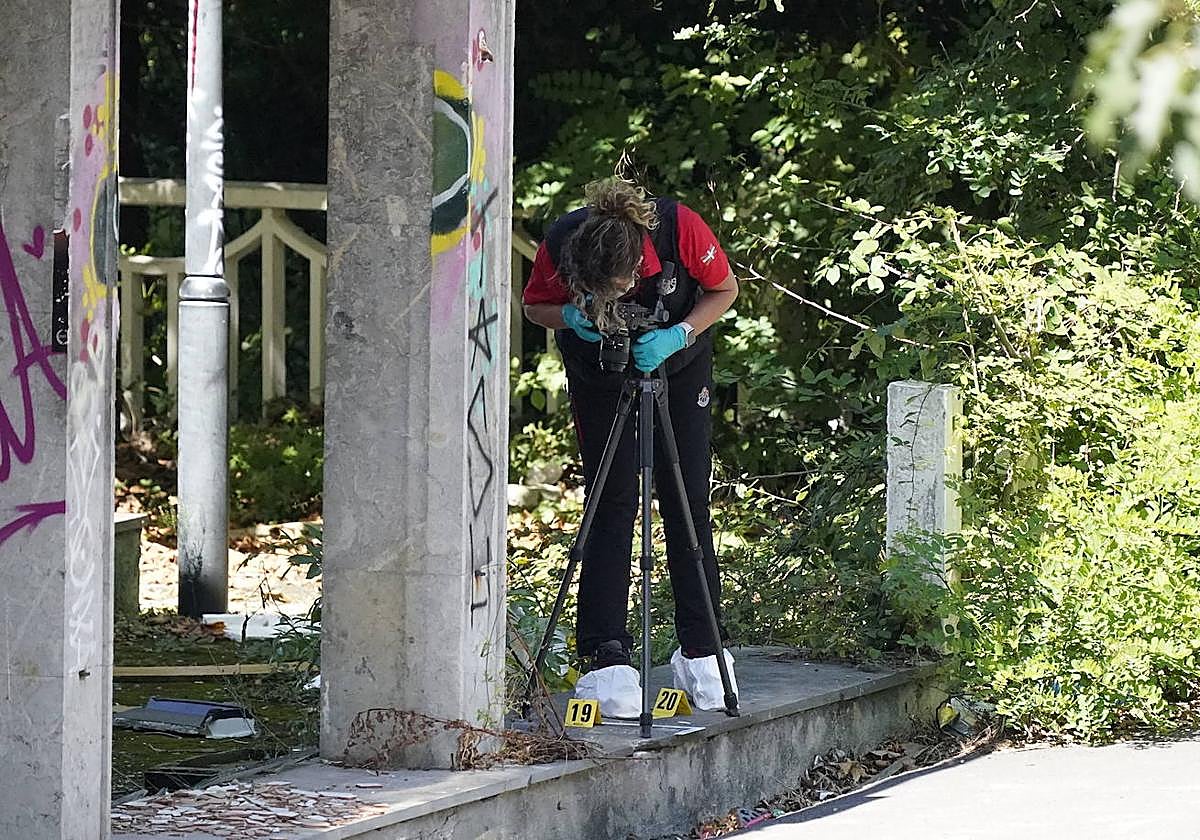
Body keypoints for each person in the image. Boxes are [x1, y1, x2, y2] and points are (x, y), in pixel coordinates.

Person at [522, 178, 739, 710]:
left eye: (620, 289)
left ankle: (703, 648)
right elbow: (535, 306)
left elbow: (725, 289)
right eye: (601, 294)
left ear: (640, 264)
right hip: (600, 367)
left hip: (680, 363)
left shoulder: (679, 227)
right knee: (609, 499)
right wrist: (573, 317)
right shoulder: (563, 239)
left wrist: (679, 333)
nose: (614, 301)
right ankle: (606, 653)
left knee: (687, 497)